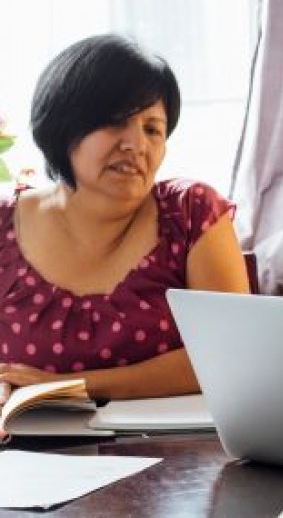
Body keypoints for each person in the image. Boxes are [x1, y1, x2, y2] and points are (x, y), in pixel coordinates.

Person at [0, 34, 250, 407]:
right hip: (26, 452)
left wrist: (64, 385)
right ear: (63, 125)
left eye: (153, 129)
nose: (137, 145)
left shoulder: (191, 213)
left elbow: (231, 356)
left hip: (178, 450)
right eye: (117, 123)